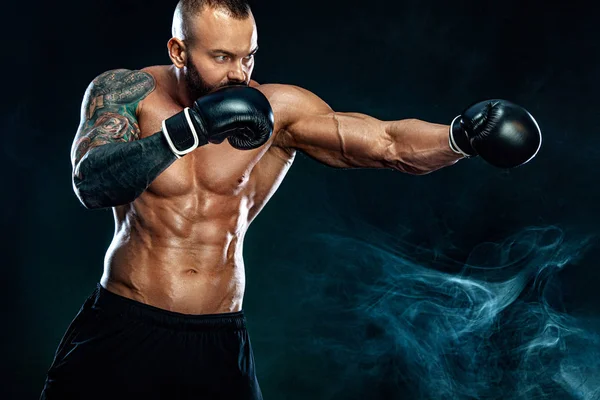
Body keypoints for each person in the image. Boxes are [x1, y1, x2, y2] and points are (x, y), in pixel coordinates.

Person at [40, 0, 542, 399]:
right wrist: (190, 128)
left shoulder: (275, 110)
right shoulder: (126, 92)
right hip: (125, 323)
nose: (240, 74)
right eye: (221, 58)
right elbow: (91, 182)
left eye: (248, 55)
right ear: (178, 50)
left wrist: (460, 137)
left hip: (217, 338)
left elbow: (386, 143)